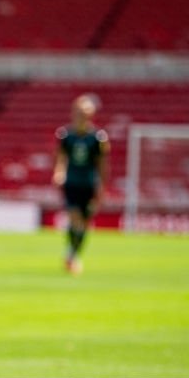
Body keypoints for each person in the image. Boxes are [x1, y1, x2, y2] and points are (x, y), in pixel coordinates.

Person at [52, 94, 109, 274]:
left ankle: (72, 253)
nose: (81, 115)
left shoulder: (98, 138)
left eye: (85, 112)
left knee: (84, 224)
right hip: (72, 183)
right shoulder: (65, 135)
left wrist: (102, 186)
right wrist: (59, 172)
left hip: (89, 184)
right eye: (78, 111)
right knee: (74, 217)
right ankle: (73, 258)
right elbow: (60, 157)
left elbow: (102, 164)